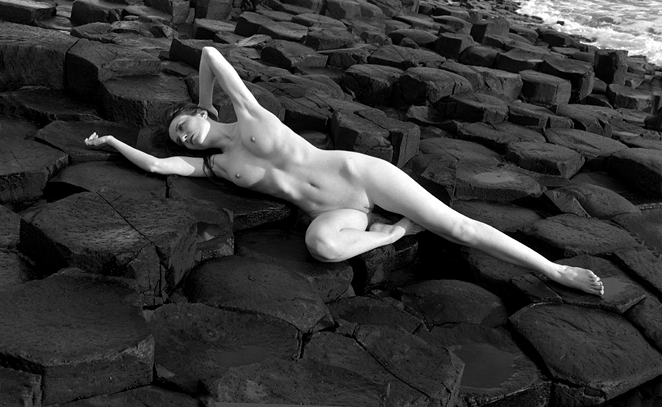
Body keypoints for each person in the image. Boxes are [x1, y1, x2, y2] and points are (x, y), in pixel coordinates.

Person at [85, 46, 604, 296]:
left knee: (458, 228)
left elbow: (210, 55)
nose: (183, 137)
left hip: (359, 175)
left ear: (200, 116)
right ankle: (390, 233)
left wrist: (203, 101)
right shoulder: (216, 166)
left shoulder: (250, 116)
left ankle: (554, 271)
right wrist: (111, 142)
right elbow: (157, 164)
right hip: (333, 213)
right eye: (178, 136)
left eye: (183, 125)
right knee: (320, 247)